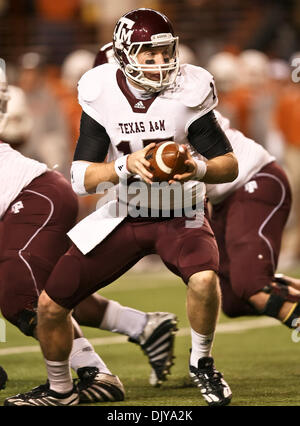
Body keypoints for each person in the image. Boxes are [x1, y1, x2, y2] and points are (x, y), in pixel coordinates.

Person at [5, 8, 238, 407]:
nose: (162, 64)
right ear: (126, 54)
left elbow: (228, 166)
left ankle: (202, 362)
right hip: (126, 212)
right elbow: (79, 178)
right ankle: (61, 390)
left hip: (180, 210)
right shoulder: (101, 90)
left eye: (166, 54)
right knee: (49, 303)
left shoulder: (189, 92)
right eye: (151, 56)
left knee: (203, 279)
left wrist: (196, 167)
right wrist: (123, 165)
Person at [0, 75, 178, 402]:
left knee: (21, 296)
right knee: (47, 293)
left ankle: (86, 379)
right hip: (38, 194)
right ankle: (140, 326)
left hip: (34, 196)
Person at [205, 110, 300, 326]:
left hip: (253, 178)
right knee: (233, 301)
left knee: (253, 286)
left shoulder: (179, 103)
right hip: (221, 198)